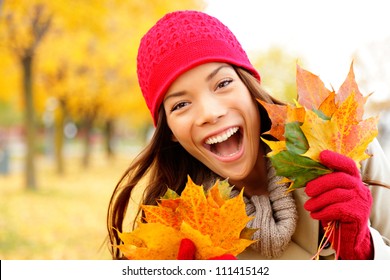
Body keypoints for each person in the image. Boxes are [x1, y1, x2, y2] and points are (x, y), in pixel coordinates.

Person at [106, 10, 390, 260]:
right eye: (180, 104)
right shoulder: (181, 234)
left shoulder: (345, 151)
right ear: (170, 133)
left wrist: (365, 253)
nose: (210, 113)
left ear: (251, 85)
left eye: (223, 83)